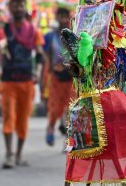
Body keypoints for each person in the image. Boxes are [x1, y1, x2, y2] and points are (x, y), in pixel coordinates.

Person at [0, 0, 44, 168]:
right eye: (15, 5)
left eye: (21, 5)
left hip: (26, 81)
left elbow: (40, 54)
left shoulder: (33, 31)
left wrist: (38, 73)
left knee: (23, 119)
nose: (18, 8)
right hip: (8, 80)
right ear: (10, 8)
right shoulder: (4, 29)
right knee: (8, 116)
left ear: (24, 8)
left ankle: (18, 155)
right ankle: (8, 154)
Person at [43, 7, 75, 146]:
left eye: (65, 16)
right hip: (56, 77)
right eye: (60, 16)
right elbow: (47, 58)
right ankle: (50, 127)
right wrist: (43, 79)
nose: (62, 19)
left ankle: (68, 138)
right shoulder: (50, 37)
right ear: (56, 18)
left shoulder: (75, 35)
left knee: (71, 108)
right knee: (55, 107)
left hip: (71, 77)